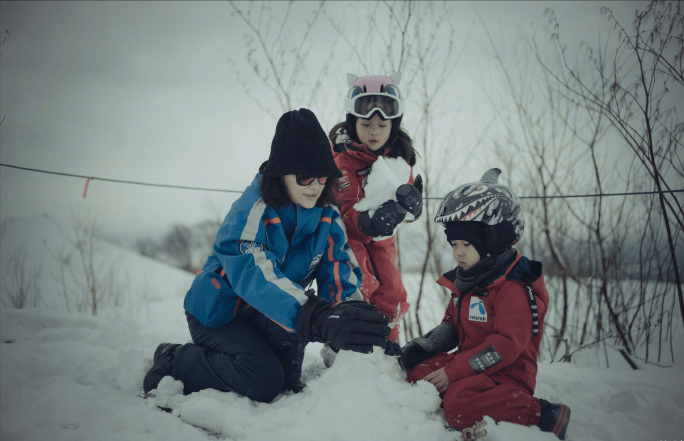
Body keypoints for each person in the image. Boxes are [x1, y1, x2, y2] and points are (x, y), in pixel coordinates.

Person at [143, 108, 399, 404]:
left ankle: (253, 360)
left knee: (288, 384)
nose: (315, 186)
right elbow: (254, 276)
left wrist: (355, 323)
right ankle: (175, 359)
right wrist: (317, 316)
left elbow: (339, 273)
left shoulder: (327, 216)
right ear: (281, 173)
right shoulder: (252, 211)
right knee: (263, 380)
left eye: (322, 177)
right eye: (304, 177)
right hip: (221, 314)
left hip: (273, 313)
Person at [398, 168, 572, 440]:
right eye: (454, 243)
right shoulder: (469, 280)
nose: (458, 252)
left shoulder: (514, 287)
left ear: (495, 241)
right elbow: (452, 324)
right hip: (470, 366)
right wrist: (427, 345)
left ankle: (544, 414)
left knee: (458, 403)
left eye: (466, 243)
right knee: (418, 372)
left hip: (506, 375)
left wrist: (453, 372)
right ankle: (465, 400)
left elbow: (506, 345)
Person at [328, 72, 422, 344]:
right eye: (367, 123)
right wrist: (367, 222)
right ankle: (350, 349)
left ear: (393, 124)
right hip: (347, 238)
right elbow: (338, 208)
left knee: (391, 292)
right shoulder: (339, 158)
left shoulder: (399, 156)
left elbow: (400, 203)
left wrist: (411, 208)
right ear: (352, 121)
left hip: (382, 241)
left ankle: (387, 348)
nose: (374, 131)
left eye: (382, 125)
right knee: (359, 287)